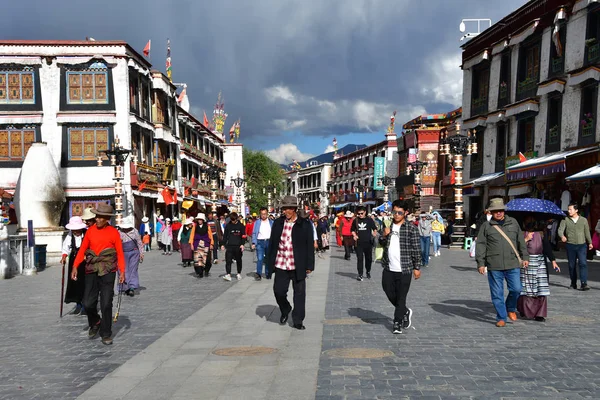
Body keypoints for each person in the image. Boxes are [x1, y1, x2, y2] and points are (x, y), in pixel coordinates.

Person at [71, 203, 125, 346]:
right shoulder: (90, 231)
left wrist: (122, 271)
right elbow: (83, 249)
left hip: (108, 269)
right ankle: (95, 321)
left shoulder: (114, 232)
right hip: (92, 268)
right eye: (97, 217)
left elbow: (119, 253)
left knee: (106, 302)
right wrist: (75, 266)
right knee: (88, 302)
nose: (98, 220)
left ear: (107, 218)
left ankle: (106, 333)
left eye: (102, 217)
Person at [475, 198, 529, 327]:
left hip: (512, 262)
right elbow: (481, 245)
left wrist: (525, 257)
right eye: (495, 211)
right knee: (497, 293)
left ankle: (510, 308)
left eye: (501, 210)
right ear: (491, 212)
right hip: (494, 264)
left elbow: (520, 241)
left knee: (516, 289)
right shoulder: (486, 226)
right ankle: (501, 317)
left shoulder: (513, 223)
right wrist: (481, 263)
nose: (499, 213)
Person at [267, 195, 315, 330]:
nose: (285, 211)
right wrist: (269, 263)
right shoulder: (278, 223)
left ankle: (298, 320)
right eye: (284, 209)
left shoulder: (304, 224)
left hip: (298, 264)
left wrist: (310, 265)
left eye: (288, 209)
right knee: (278, 291)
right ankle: (285, 308)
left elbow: (309, 245)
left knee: (299, 294)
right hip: (281, 263)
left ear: (294, 209)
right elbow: (272, 244)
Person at [379, 200, 421, 334]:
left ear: (406, 213)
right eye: (394, 212)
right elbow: (380, 243)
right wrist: (384, 235)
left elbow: (416, 249)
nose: (396, 215)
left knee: (401, 296)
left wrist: (417, 267)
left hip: (405, 268)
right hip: (389, 267)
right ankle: (405, 311)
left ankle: (397, 322)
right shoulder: (388, 226)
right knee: (388, 291)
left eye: (399, 213)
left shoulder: (411, 228)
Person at [517, 216, 560, 322]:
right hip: (526, 262)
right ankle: (524, 310)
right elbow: (517, 248)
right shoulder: (521, 234)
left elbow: (547, 247)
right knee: (526, 288)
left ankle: (540, 313)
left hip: (540, 262)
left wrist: (553, 260)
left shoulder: (541, 234)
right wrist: (525, 239)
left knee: (541, 287)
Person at [558, 202, 594, 290]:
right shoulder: (565, 220)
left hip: (582, 245)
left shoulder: (583, 220)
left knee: (583, 263)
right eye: (568, 209)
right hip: (570, 245)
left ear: (576, 210)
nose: (569, 211)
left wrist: (590, 242)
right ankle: (573, 283)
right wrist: (562, 236)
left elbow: (587, 232)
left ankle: (584, 283)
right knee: (571, 265)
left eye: (571, 209)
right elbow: (560, 230)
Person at [61, 216, 87, 315]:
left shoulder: (86, 233)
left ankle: (85, 304)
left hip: (85, 260)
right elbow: (66, 247)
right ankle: (78, 303)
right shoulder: (70, 235)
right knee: (74, 281)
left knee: (85, 282)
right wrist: (64, 256)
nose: (75, 231)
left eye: (77, 229)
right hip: (74, 260)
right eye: (74, 230)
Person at [118, 216, 144, 297]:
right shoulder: (119, 232)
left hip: (134, 253)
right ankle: (125, 287)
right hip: (123, 253)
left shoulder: (134, 231)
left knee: (133, 269)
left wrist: (141, 253)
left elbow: (139, 242)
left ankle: (132, 287)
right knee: (123, 270)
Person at [351, 206, 378, 281]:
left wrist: (374, 233)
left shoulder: (369, 220)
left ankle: (368, 271)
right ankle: (360, 274)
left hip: (368, 243)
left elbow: (374, 228)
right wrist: (354, 235)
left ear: (365, 212)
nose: (360, 215)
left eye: (361, 213)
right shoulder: (355, 220)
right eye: (358, 213)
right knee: (360, 259)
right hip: (359, 243)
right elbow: (352, 230)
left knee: (368, 259)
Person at [222, 212, 245, 281]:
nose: (233, 221)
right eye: (231, 220)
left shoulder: (241, 226)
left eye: (234, 220)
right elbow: (225, 236)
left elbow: (243, 236)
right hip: (229, 246)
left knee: (238, 260)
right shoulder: (228, 226)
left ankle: (238, 273)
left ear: (236, 219)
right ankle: (228, 274)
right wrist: (223, 244)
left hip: (238, 246)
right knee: (228, 260)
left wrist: (242, 244)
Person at [252, 207, 273, 281]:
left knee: (268, 259)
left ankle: (268, 273)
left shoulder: (271, 222)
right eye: (262, 214)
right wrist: (254, 242)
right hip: (260, 242)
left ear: (267, 214)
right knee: (260, 258)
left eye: (265, 214)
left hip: (269, 241)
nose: (263, 215)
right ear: (260, 214)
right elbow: (254, 233)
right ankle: (259, 274)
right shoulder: (257, 222)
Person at [191, 213, 213, 277]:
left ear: (203, 220)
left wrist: (211, 243)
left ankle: (206, 270)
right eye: (198, 220)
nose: (199, 221)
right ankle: (200, 272)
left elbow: (210, 235)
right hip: (197, 243)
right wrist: (191, 244)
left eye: (201, 220)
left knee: (207, 259)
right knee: (197, 259)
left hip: (205, 243)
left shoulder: (207, 226)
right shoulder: (195, 226)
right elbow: (192, 235)